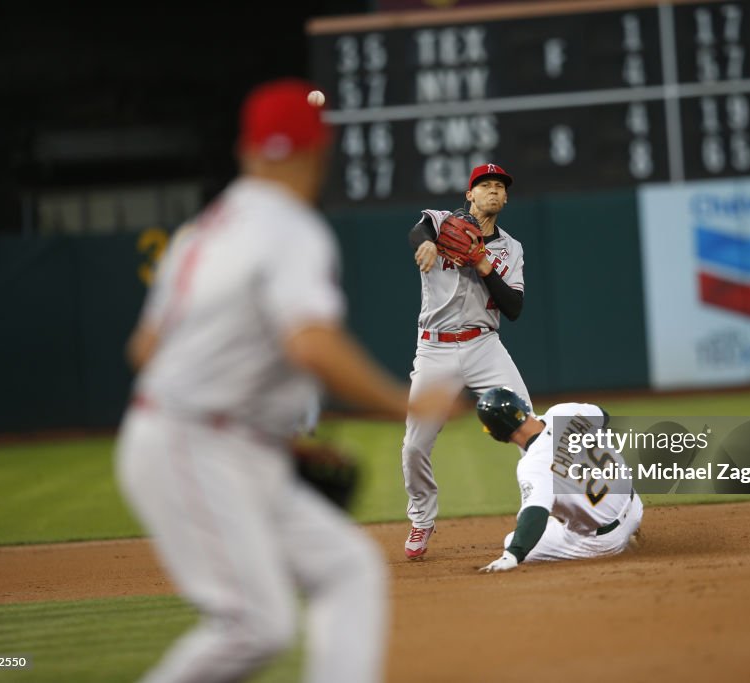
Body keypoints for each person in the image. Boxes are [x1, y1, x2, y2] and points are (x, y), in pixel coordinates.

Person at [116, 79, 450, 683]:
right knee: (255, 625)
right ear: (317, 153)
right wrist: (404, 400)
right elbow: (310, 343)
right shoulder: (292, 229)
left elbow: (144, 348)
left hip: (218, 439)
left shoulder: (203, 230)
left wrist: (257, 420)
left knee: (349, 568)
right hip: (193, 444)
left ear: (246, 150)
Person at [401, 163, 531, 559]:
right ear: (469, 193)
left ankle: (542, 509)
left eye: (499, 186)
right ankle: (422, 516)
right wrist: (425, 243)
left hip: (483, 346)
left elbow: (514, 308)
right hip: (435, 349)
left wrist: (483, 264)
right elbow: (418, 231)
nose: (493, 190)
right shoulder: (442, 224)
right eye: (484, 185)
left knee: (529, 428)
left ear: (505, 198)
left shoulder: (511, 248)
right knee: (413, 446)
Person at [474, 387, 644, 572]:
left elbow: (535, 514)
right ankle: (630, 531)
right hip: (635, 506)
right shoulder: (564, 411)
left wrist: (512, 554)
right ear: (522, 406)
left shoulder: (533, 465)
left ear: (496, 434)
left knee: (512, 538)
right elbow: (603, 416)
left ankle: (624, 545)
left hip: (604, 543)